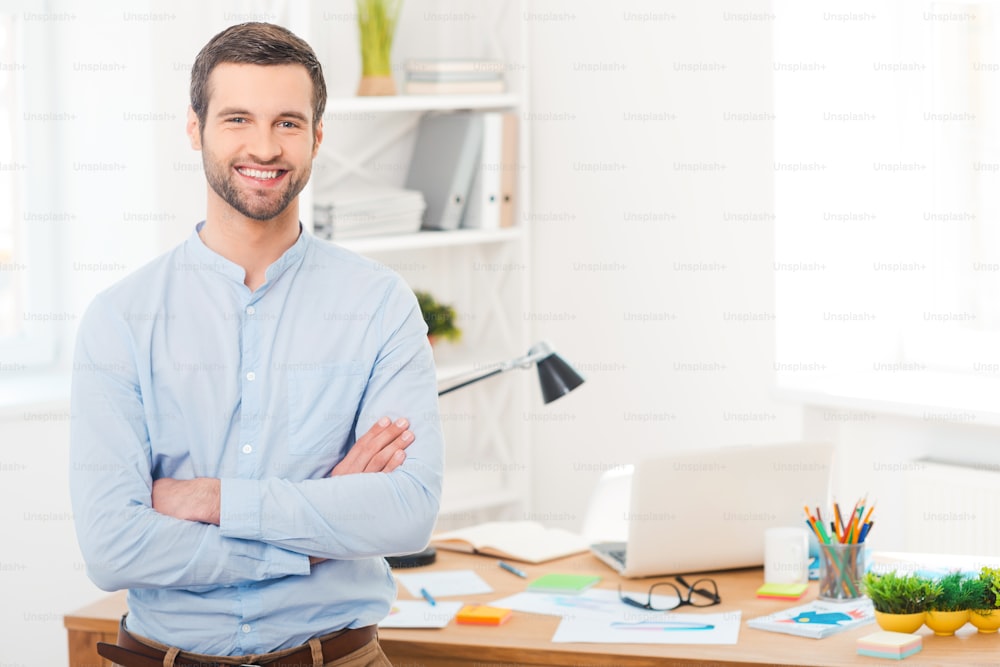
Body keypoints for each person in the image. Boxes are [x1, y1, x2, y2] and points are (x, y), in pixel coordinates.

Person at [69, 22, 443, 667]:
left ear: (318, 136)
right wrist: (313, 539)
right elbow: (113, 548)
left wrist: (214, 499)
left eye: (289, 123)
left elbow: (405, 513)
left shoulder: (379, 304)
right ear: (196, 128)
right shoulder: (120, 319)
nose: (264, 148)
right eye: (238, 118)